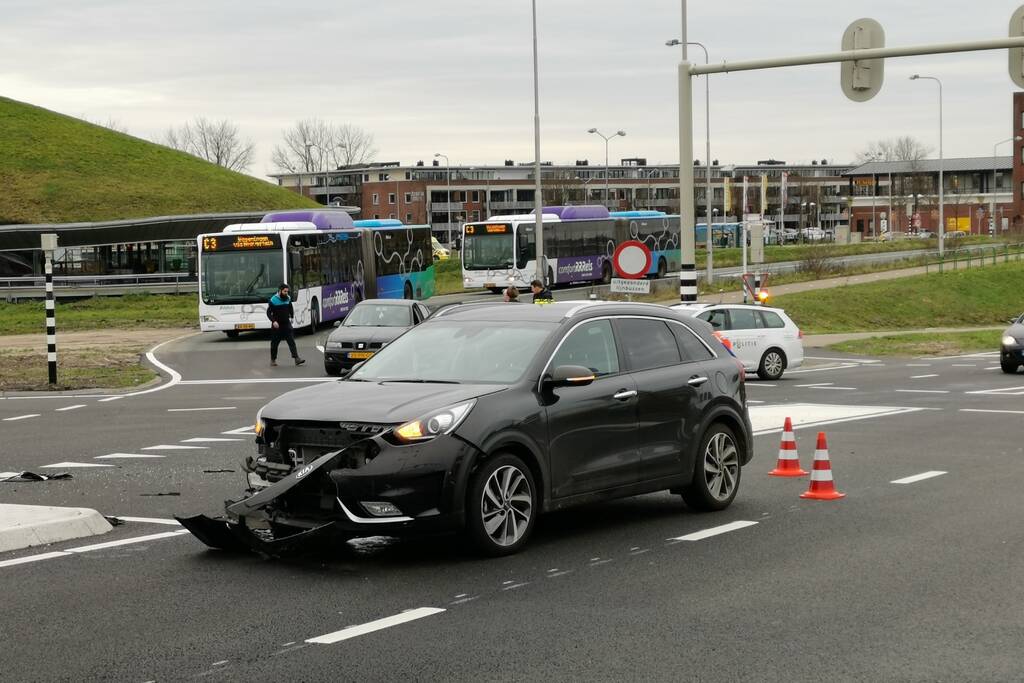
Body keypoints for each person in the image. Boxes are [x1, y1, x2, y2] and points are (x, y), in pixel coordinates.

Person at [266, 283, 305, 367]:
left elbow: (290, 308)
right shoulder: (273, 300)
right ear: (280, 291)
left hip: (286, 324)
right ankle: (273, 360)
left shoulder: (288, 298)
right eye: (285, 291)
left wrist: (291, 317)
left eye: (287, 291)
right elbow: (268, 313)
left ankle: (297, 359)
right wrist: (273, 321)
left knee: (291, 341)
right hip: (277, 326)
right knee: (274, 344)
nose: (286, 293)